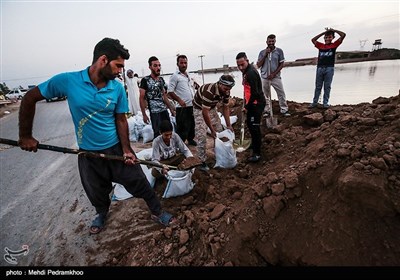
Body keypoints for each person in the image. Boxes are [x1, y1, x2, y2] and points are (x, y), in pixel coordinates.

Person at [18, 38, 177, 234]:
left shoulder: (117, 88)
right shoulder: (69, 81)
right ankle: (102, 213)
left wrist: (127, 149)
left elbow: (121, 120)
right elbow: (29, 98)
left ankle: (157, 211)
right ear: (103, 60)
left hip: (115, 148)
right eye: (118, 65)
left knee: (139, 182)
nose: (120, 71)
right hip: (88, 153)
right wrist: (25, 136)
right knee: (95, 190)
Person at [193, 74, 235, 171]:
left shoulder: (226, 91)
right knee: (201, 135)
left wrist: (228, 125)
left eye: (230, 88)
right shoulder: (209, 91)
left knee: (220, 131)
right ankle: (201, 161)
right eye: (226, 88)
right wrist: (211, 130)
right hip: (199, 108)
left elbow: (225, 107)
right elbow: (204, 112)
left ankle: (221, 155)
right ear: (220, 84)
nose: (227, 90)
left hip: (211, 107)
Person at [236, 52, 266, 162]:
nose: (240, 67)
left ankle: (257, 154)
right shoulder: (245, 72)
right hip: (251, 103)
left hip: (257, 104)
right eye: (238, 65)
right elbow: (247, 90)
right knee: (250, 124)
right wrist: (245, 101)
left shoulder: (251, 73)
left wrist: (247, 107)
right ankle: (254, 144)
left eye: (242, 64)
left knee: (254, 127)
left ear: (247, 61)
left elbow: (256, 93)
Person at [310, 28, 346, 108]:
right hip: (320, 68)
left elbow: (343, 35)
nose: (327, 39)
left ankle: (325, 103)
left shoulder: (334, 45)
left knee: (327, 86)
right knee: (318, 86)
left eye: (329, 37)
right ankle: (314, 102)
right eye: (326, 37)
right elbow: (313, 40)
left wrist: (334, 30)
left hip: (329, 68)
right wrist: (324, 33)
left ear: (333, 38)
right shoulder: (320, 46)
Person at [139, 56, 175, 138]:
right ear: (150, 67)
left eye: (159, 65)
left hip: (164, 110)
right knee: (158, 133)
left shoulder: (161, 80)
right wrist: (144, 114)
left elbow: (164, 96)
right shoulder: (145, 80)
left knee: (168, 130)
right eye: (155, 65)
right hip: (154, 112)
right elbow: (141, 98)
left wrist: (171, 109)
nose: (158, 68)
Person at [257, 34, 290, 117]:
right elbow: (259, 65)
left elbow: (281, 63)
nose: (271, 43)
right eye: (269, 41)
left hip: (276, 77)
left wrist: (274, 74)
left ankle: (284, 109)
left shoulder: (279, 51)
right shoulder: (262, 52)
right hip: (265, 77)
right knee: (265, 95)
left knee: (281, 93)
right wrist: (265, 54)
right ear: (266, 42)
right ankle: (266, 110)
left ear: (275, 41)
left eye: (272, 41)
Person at [168, 55, 197, 147]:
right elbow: (170, 92)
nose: (184, 65)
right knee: (182, 126)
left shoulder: (188, 76)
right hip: (182, 106)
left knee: (192, 124)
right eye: (182, 63)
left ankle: (190, 139)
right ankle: (180, 143)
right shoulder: (175, 76)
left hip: (191, 105)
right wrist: (179, 100)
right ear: (177, 64)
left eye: (185, 63)